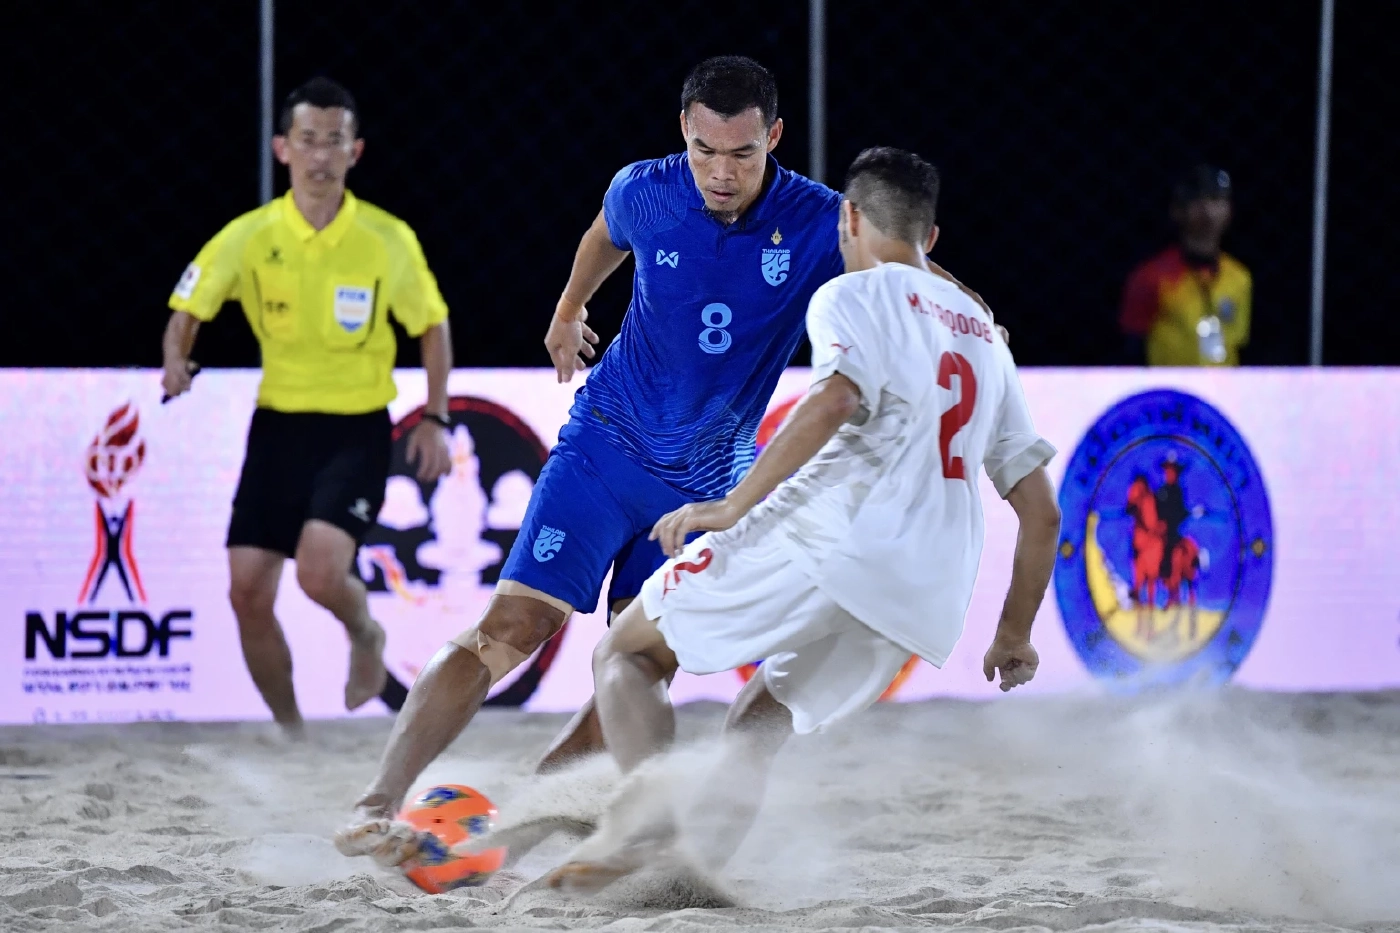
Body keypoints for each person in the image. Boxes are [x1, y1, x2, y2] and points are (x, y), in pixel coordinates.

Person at [333, 58, 1002, 865]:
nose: (720, 172)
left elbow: (916, 275)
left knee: (630, 672)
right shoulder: (643, 190)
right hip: (603, 451)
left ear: (774, 137)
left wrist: (979, 319)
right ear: (683, 130)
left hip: (708, 485)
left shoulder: (820, 219)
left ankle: (503, 839)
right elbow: (603, 236)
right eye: (704, 150)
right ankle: (376, 803)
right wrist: (569, 308)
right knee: (511, 628)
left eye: (742, 154)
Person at [540, 146, 1061, 890]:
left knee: (627, 653)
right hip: (927, 597)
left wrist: (732, 504)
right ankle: (683, 877)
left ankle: (650, 832)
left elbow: (835, 399)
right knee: (758, 723)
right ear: (932, 238)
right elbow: (1041, 512)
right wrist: (1013, 633)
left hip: (838, 541)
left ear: (848, 219)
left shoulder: (853, 294)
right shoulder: (984, 335)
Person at [162, 77, 453, 737]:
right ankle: (291, 733)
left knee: (320, 576)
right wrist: (176, 359)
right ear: (282, 148)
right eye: (308, 140)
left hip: (355, 428)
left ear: (355, 151)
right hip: (277, 426)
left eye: (334, 141)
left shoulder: (386, 237)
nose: (321, 155)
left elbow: (432, 325)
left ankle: (365, 630)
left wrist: (435, 415)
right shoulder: (249, 235)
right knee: (246, 591)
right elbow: (188, 308)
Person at [1119, 165, 1252, 366]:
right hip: (1169, 385)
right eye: (1197, 200)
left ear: (1229, 210)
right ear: (1177, 211)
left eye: (1216, 200)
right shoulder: (1151, 276)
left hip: (1224, 385)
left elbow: (1239, 344)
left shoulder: (1240, 278)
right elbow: (1131, 350)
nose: (1208, 211)